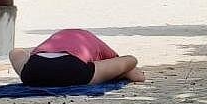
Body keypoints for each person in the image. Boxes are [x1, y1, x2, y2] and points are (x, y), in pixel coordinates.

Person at [9, 29, 145, 87]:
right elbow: (122, 61)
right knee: (131, 60)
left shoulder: (57, 36)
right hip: (72, 69)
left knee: (15, 52)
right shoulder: (92, 39)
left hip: (34, 70)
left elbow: (18, 53)